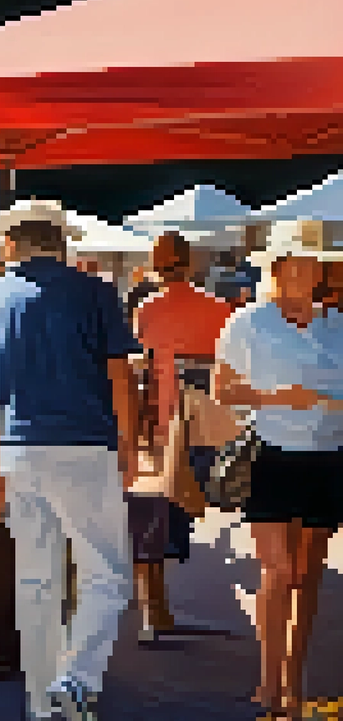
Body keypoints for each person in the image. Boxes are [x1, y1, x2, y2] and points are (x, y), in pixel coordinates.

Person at [0, 201, 139, 721]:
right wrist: (129, 444)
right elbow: (118, 374)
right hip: (85, 446)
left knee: (35, 580)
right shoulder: (95, 292)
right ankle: (77, 677)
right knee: (106, 574)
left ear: (10, 244)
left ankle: (41, 700)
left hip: (18, 452)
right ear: (63, 243)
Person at [214, 219, 343, 721]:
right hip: (270, 453)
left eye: (314, 263)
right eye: (295, 263)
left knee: (308, 573)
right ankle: (269, 681)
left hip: (329, 455)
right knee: (282, 571)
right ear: (277, 268)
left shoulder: (335, 326)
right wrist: (275, 399)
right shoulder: (248, 323)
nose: (305, 272)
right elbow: (223, 390)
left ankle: (293, 680)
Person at [130, 232, 236, 642]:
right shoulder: (218, 309)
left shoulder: (147, 308)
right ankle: (157, 608)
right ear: (191, 265)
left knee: (150, 517)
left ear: (157, 266)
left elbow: (142, 368)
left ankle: (153, 609)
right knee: (184, 509)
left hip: (161, 423)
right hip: (204, 426)